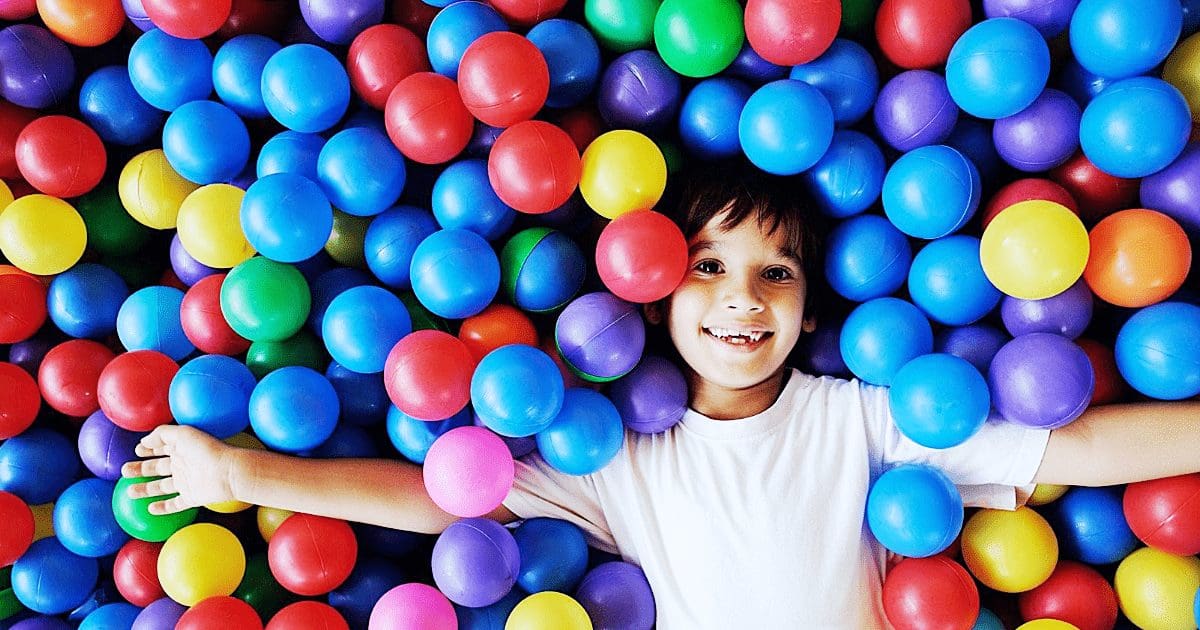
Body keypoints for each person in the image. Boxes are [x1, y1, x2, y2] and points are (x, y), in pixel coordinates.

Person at [123, 162, 1200, 628]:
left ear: (815, 310)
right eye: (708, 267)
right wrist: (241, 472)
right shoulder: (618, 453)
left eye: (776, 273)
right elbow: (442, 495)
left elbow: (1077, 447)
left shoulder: (866, 417)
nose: (743, 300)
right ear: (649, 292)